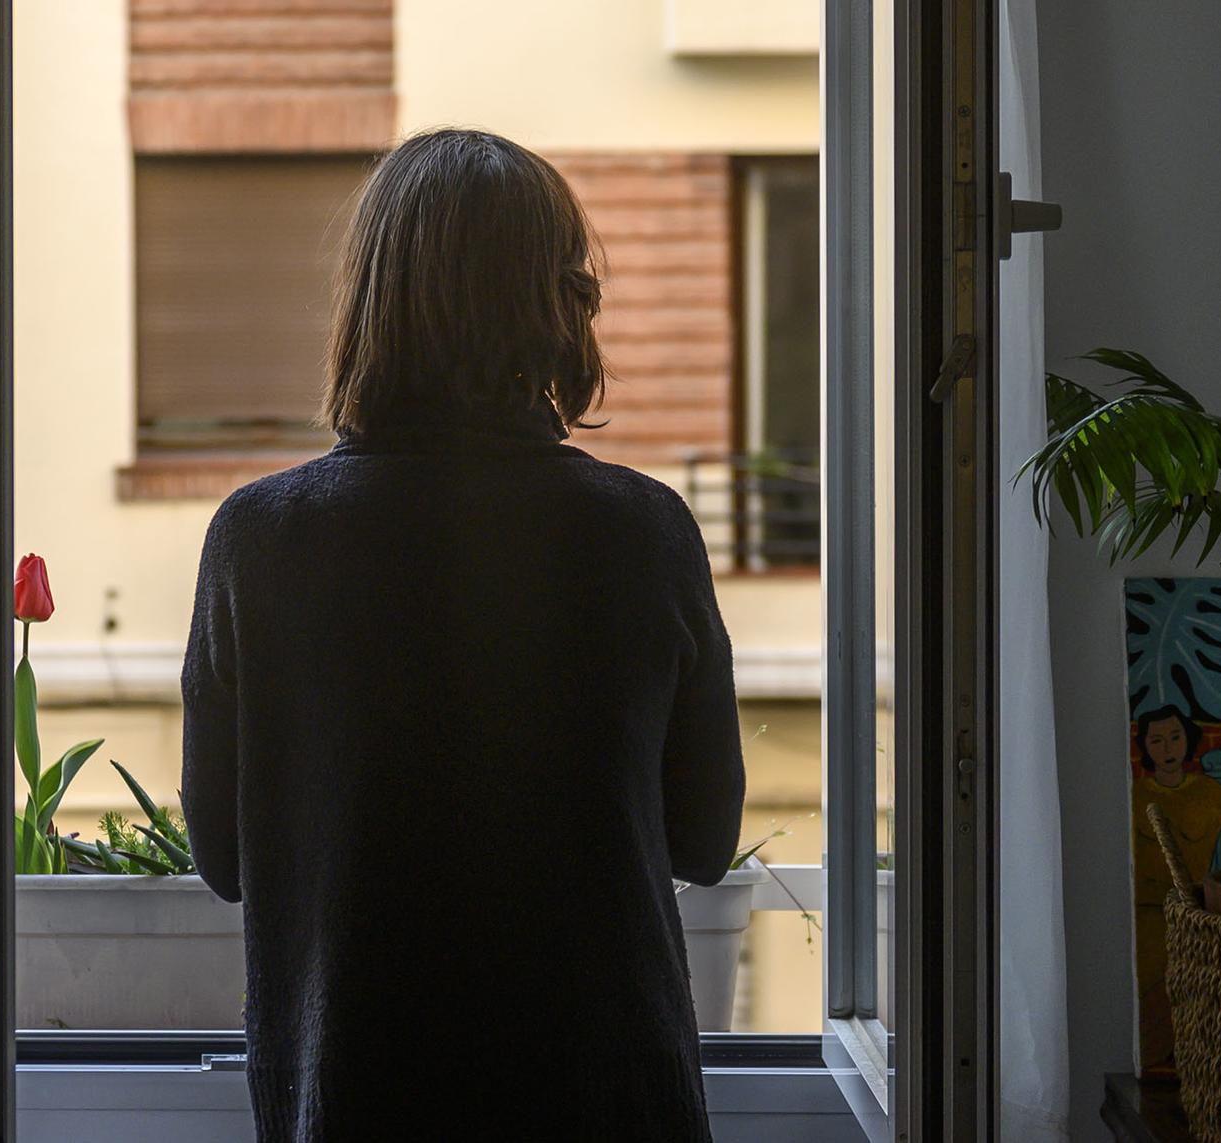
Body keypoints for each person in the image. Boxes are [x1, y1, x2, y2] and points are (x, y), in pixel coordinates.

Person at [178, 128, 747, 1142]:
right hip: (607, 1099)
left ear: (368, 301)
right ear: (557, 303)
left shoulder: (258, 540)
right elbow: (704, 839)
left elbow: (225, 861)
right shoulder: (643, 530)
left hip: (357, 1098)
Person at [1128, 704, 1221, 1072]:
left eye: (1175, 737)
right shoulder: (1132, 796)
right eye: (1157, 740)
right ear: (1145, 747)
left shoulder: (1217, 797)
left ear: (1188, 739)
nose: (1168, 748)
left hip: (1189, 913)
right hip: (1142, 915)